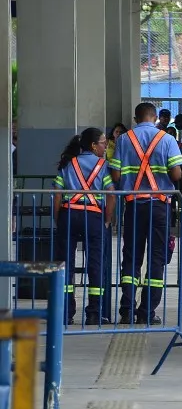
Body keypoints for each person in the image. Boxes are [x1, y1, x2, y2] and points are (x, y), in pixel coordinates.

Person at [109, 102, 182, 325]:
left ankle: (126, 309)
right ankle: (147, 312)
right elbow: (177, 174)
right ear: (154, 118)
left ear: (136, 118)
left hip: (133, 206)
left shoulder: (124, 140)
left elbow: (115, 176)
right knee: (157, 258)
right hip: (159, 206)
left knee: (131, 257)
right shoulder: (168, 140)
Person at [52, 128, 115, 325]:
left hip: (68, 214)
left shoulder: (68, 164)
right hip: (94, 217)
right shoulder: (103, 166)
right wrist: (107, 220)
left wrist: (58, 218)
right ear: (93, 145)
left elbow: (57, 195)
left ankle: (66, 313)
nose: (106, 147)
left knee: (65, 264)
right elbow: (111, 194)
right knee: (96, 265)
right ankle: (94, 313)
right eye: (103, 143)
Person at [166, 126, 182, 228]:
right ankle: (171, 222)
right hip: (168, 179)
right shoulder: (163, 146)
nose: (171, 135)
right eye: (169, 133)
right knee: (170, 201)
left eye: (173, 133)